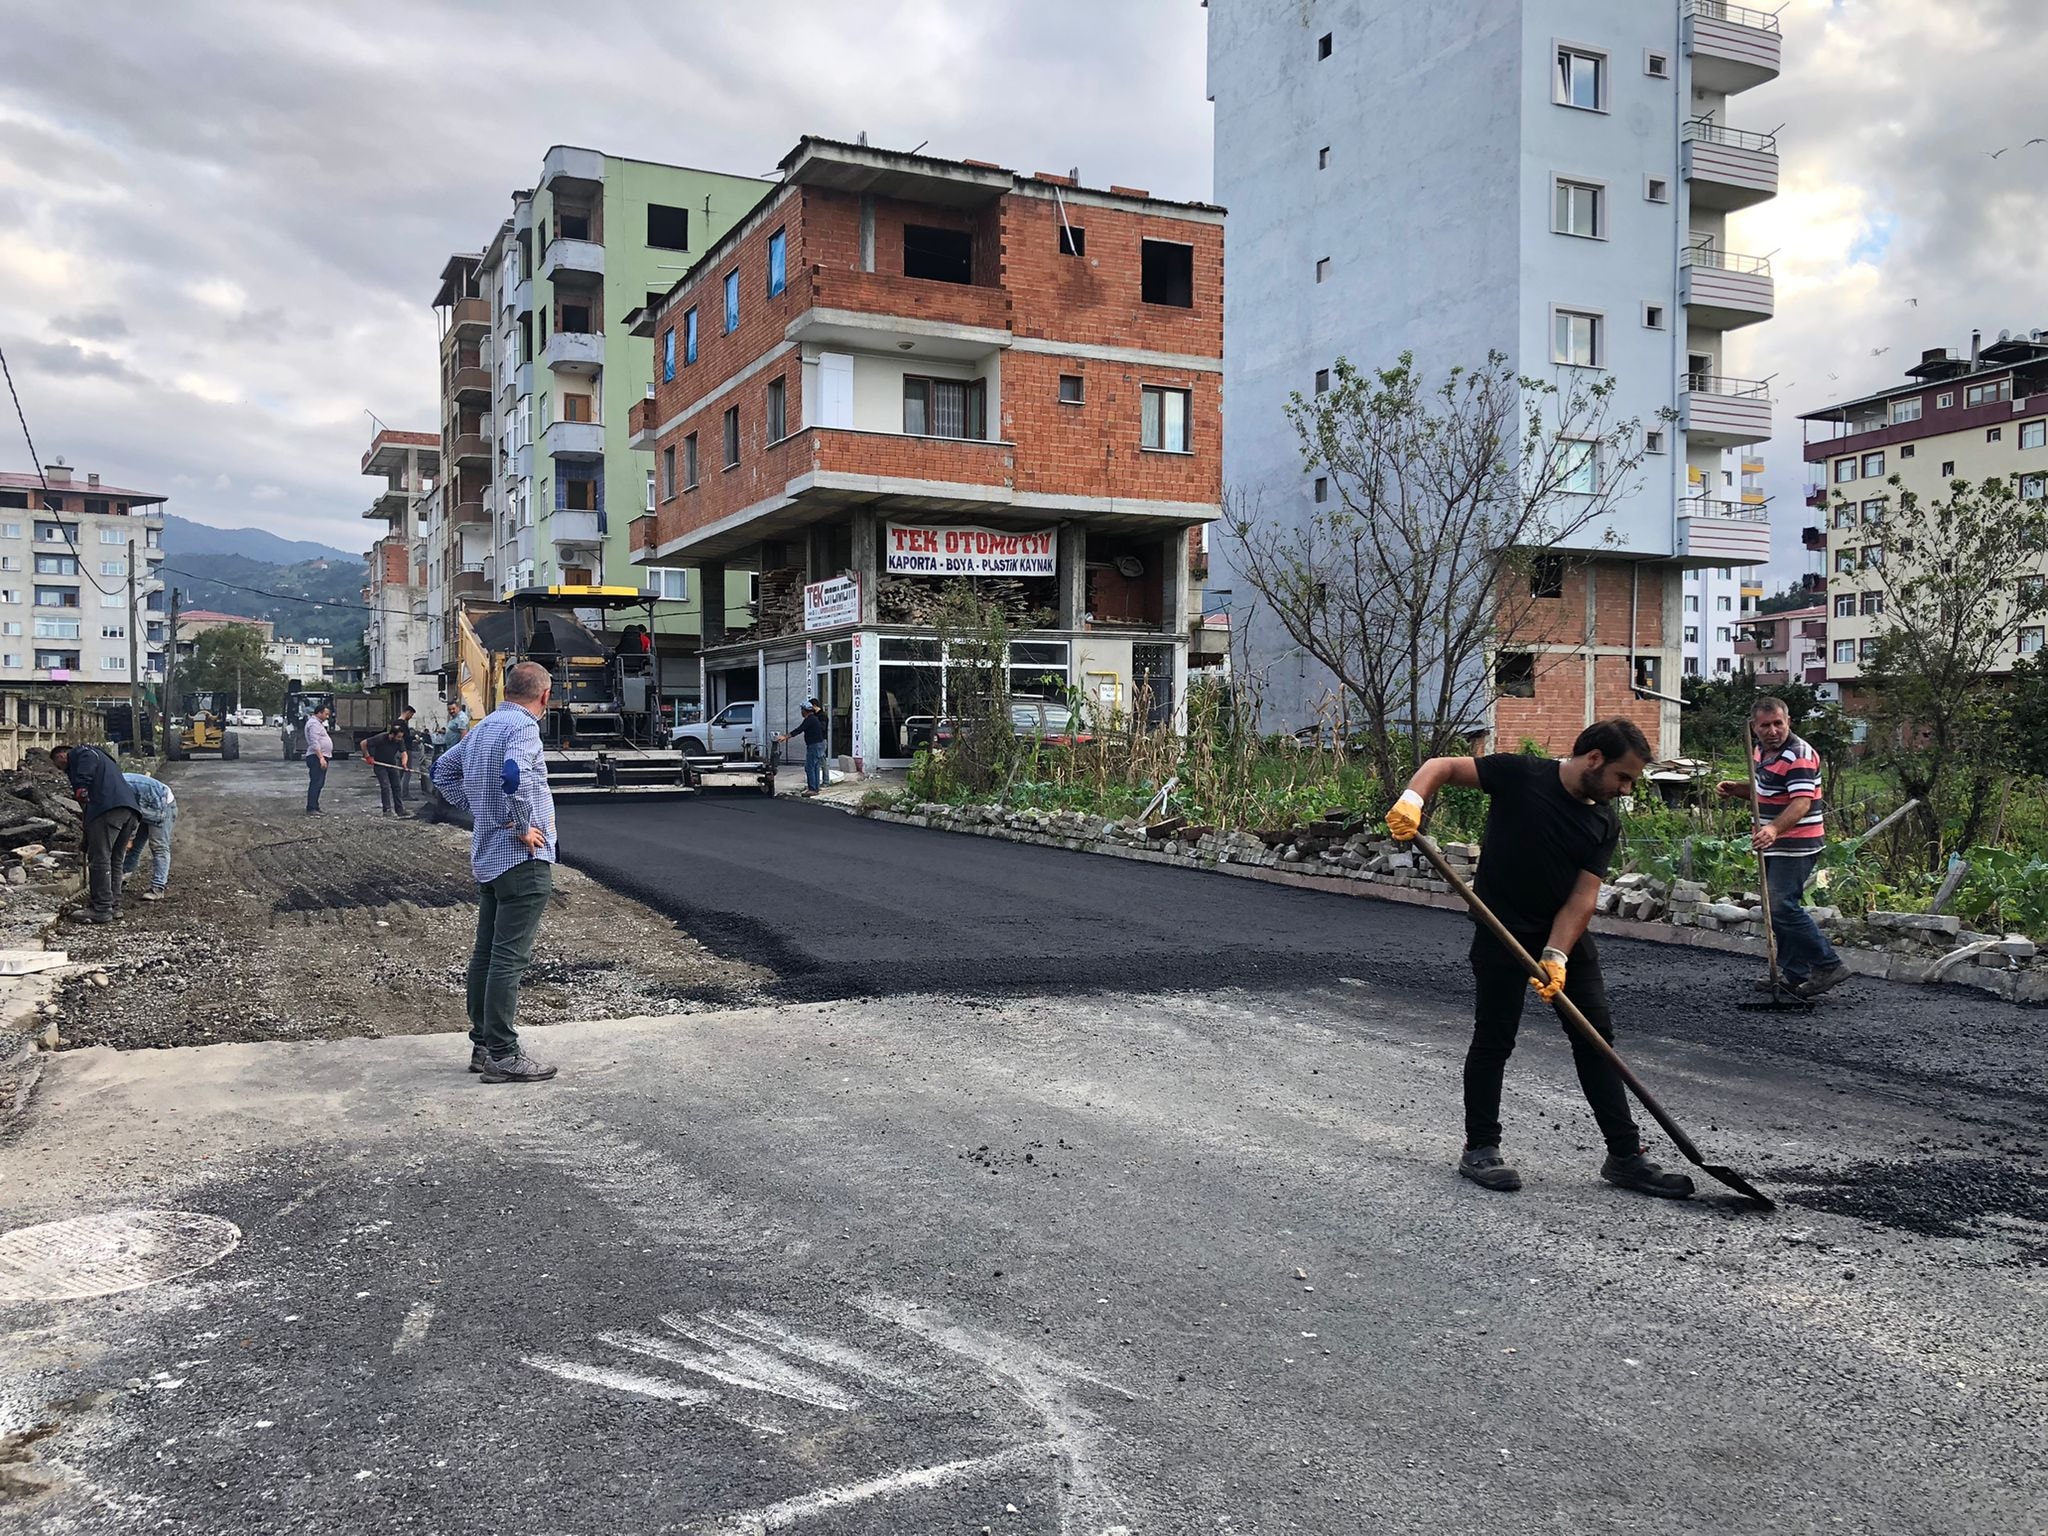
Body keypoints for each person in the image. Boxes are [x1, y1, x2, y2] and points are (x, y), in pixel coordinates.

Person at [1386, 720, 1694, 1200]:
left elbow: (1583, 896)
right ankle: (1481, 1149)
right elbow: (1441, 766)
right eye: (1623, 777)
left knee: (1596, 1042)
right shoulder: (1520, 774)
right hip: (1500, 931)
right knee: (1494, 1038)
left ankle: (1625, 1157)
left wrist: (1556, 954)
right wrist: (1413, 799)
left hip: (1563, 940)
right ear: (1594, 759)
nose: (1627, 789)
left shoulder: (1604, 820)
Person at [431, 660, 559, 1084]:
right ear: (544, 695)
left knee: (485, 954)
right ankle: (505, 1055)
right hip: (521, 861)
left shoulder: (483, 727)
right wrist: (523, 827)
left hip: (488, 858)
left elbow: (442, 772)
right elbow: (514, 776)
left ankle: (483, 1045)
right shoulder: (524, 728)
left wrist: (480, 811)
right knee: (509, 958)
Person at [1716, 696, 1848, 1000]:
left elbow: (1801, 802)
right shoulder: (1762, 751)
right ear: (1754, 728)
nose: (1773, 730)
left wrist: (1774, 828)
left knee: (1780, 905)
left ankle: (1828, 964)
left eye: (1778, 723)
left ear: (1788, 722)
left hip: (1796, 843)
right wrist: (1737, 790)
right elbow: (1766, 791)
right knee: (1775, 909)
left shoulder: (1798, 754)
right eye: (1765, 725)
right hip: (1774, 843)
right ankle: (1794, 975)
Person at [50, 743, 141, 924]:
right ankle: (113, 905)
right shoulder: (104, 758)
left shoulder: (82, 753)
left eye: (58, 765)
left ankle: (101, 909)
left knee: (100, 859)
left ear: (61, 756)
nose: (60, 770)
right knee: (115, 860)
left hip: (108, 810)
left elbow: (86, 762)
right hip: (129, 811)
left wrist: (81, 785)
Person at [120, 771, 177, 901]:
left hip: (162, 804)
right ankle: (121, 879)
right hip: (145, 804)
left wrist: (129, 838)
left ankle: (158, 888)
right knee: (134, 847)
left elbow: (131, 815)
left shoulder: (119, 789)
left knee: (158, 847)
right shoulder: (111, 785)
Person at [778, 702, 831, 796]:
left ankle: (812, 789)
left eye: (802, 710)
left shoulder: (810, 719)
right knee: (815, 767)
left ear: (805, 711)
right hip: (819, 744)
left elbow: (799, 729)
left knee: (809, 767)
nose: (801, 712)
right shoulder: (813, 719)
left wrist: (785, 737)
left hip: (814, 745)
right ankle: (815, 788)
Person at [361, 721, 411, 817]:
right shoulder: (381, 738)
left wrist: (404, 763)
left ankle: (399, 810)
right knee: (385, 786)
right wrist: (368, 757)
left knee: (397, 786)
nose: (400, 739)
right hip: (380, 765)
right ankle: (387, 810)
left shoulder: (400, 740)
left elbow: (404, 753)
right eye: (398, 737)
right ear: (391, 734)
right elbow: (363, 743)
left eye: (401, 737)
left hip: (391, 764)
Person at [303, 703, 333, 815]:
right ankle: (311, 808)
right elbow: (314, 742)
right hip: (316, 757)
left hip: (320, 756)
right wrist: (321, 758)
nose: (327, 716)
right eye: (326, 714)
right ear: (319, 713)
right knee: (316, 782)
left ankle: (315, 806)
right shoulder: (314, 724)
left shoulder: (317, 724)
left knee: (319, 783)